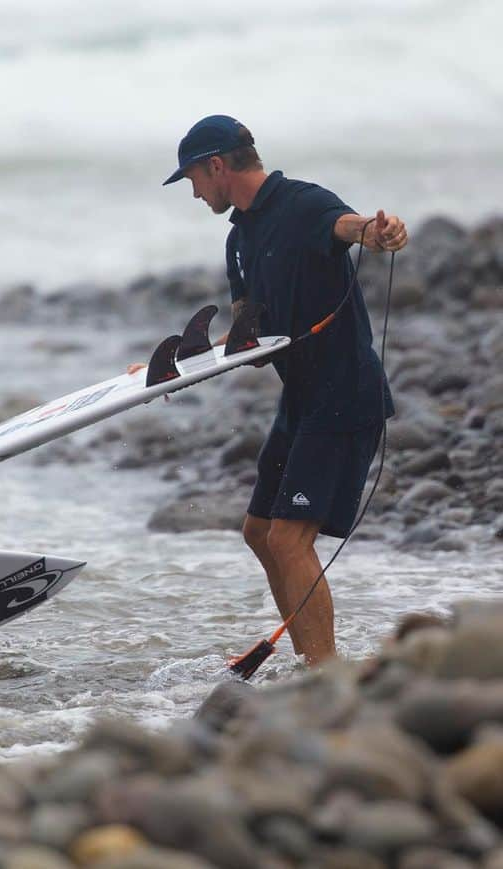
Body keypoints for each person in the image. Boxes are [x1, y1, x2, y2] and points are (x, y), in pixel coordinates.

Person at [154, 114, 407, 665]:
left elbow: (348, 226)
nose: (194, 192)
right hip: (302, 400)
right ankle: (307, 661)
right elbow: (249, 331)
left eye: (194, 178)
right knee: (260, 530)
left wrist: (377, 232)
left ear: (217, 165)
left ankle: (325, 675)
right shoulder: (238, 239)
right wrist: (184, 365)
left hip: (344, 397)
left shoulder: (302, 204)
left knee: (290, 540)